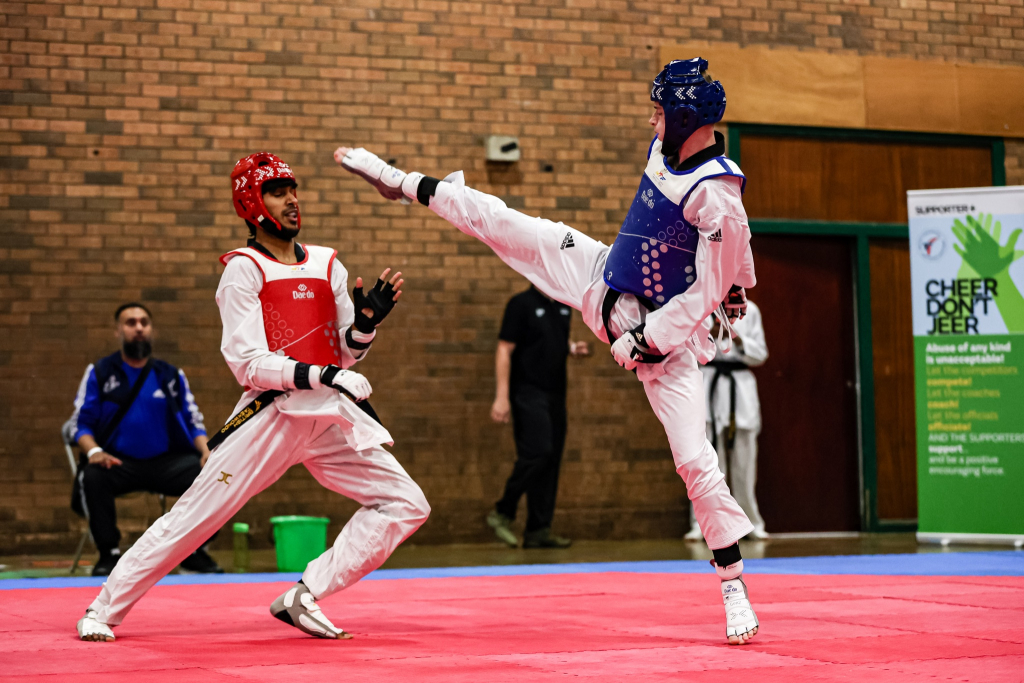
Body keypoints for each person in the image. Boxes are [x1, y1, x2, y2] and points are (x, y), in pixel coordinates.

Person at [336, 57, 761, 645]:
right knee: (504, 221)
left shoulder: (718, 197)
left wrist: (656, 335)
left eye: (658, 111)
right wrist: (735, 285)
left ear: (686, 114)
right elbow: (728, 271)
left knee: (695, 463)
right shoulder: (668, 153)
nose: (650, 120)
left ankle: (733, 581)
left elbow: (713, 281)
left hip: (660, 338)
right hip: (599, 272)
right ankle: (400, 182)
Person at [76, 152, 430, 643]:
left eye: (293, 189)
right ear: (252, 202)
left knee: (406, 503)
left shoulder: (328, 262)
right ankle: (102, 609)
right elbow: (247, 363)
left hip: (328, 415)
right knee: (192, 521)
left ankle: (304, 595)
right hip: (271, 415)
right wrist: (327, 371)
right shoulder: (243, 271)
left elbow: (345, 358)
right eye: (279, 191)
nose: (292, 199)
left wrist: (364, 329)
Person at [68, 302, 222, 576]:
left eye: (144, 322)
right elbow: (81, 425)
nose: (138, 328)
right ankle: (109, 554)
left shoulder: (171, 375)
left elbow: (193, 421)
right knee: (92, 476)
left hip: (166, 462)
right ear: (118, 331)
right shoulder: (101, 372)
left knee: (219, 474)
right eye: (130, 323)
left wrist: (207, 451)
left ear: (151, 330)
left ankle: (193, 550)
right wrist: (94, 452)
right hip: (118, 462)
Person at [487, 284, 590, 549]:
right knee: (539, 452)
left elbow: (548, 337)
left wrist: (571, 347)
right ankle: (502, 512)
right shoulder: (520, 304)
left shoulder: (563, 304)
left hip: (556, 394)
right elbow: (504, 350)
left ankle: (538, 529)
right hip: (527, 393)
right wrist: (502, 396)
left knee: (552, 458)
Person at [685, 300, 769, 541]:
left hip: (739, 383)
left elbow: (761, 353)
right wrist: (708, 337)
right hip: (707, 380)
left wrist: (737, 338)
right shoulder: (698, 306)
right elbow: (686, 349)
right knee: (705, 463)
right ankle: (702, 525)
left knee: (744, 462)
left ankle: (752, 522)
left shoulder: (750, 310)